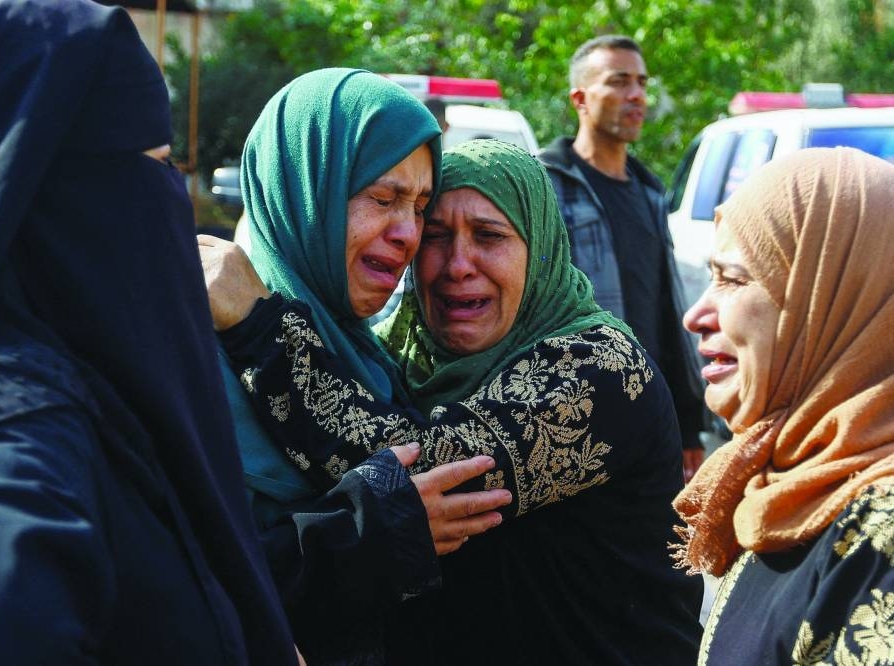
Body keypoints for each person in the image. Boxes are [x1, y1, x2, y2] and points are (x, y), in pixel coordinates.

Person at [0, 0, 297, 663]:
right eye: (158, 165)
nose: (170, 199)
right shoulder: (15, 432)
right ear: (39, 184)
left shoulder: (46, 373)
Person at [213, 139, 704, 664]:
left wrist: (260, 329)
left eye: (490, 236)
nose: (457, 265)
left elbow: (418, 475)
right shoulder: (393, 359)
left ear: (539, 250)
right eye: (437, 236)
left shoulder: (599, 368)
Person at [200, 68, 513, 665]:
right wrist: (364, 534)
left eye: (421, 207)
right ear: (304, 188)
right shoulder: (191, 355)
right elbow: (170, 583)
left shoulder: (366, 355)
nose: (408, 235)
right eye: (383, 197)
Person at [673, 147, 894, 664]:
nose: (695, 314)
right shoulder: (782, 480)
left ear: (831, 300)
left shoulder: (882, 534)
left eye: (732, 278)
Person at [537, 34, 708, 481]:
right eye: (619, 82)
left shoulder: (649, 191)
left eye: (641, 82)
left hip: (652, 410)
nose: (636, 95)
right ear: (580, 98)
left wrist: (688, 421)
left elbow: (667, 308)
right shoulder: (547, 187)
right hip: (582, 408)